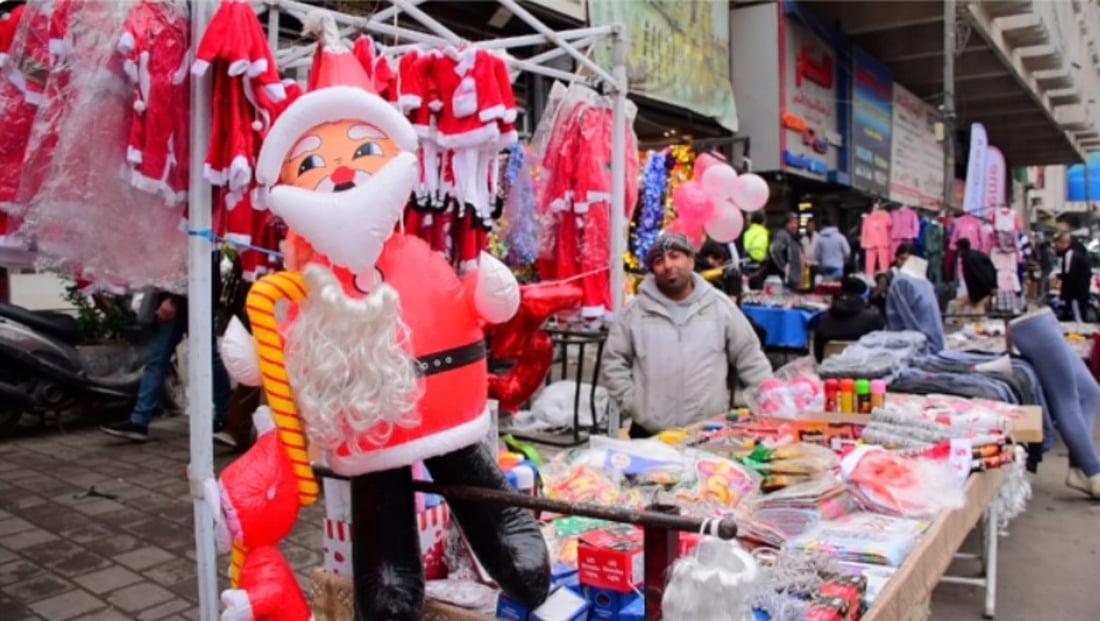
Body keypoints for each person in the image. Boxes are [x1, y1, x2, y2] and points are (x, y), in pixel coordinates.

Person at [603, 231, 773, 438]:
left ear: (691, 261)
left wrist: (769, 400)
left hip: (707, 433)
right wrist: (633, 403)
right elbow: (614, 361)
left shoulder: (719, 307)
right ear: (652, 270)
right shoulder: (635, 312)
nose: (668, 265)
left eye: (675, 256)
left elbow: (750, 356)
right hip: (649, 433)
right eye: (658, 261)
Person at [101, 277, 232, 443]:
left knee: (201, 358)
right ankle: (139, 421)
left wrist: (173, 300)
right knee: (162, 360)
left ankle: (225, 415)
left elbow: (196, 266)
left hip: (191, 300)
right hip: (188, 300)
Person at [810, 276, 885, 362]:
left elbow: (818, 354)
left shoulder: (823, 318)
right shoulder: (874, 318)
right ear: (864, 297)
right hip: (865, 368)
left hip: (831, 368)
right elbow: (880, 347)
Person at [1054, 232, 1092, 322]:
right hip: (1082, 291)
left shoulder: (1070, 254)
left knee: (1077, 317)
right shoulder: (1080, 252)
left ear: (1065, 243)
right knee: (1080, 315)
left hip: (1075, 293)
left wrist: (1065, 294)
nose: (1056, 245)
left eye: (1058, 243)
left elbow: (1070, 275)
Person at [956, 238, 998, 312]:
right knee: (956, 304)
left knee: (977, 314)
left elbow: (978, 275)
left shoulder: (968, 260)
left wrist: (990, 288)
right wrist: (993, 285)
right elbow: (991, 269)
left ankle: (960, 323)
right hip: (983, 292)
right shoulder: (978, 254)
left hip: (980, 294)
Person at [768, 213, 804, 291]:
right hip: (786, 280)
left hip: (794, 279)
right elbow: (774, 249)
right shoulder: (783, 235)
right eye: (792, 223)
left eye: (796, 223)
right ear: (786, 224)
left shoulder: (794, 238)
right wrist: (783, 266)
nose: (795, 226)